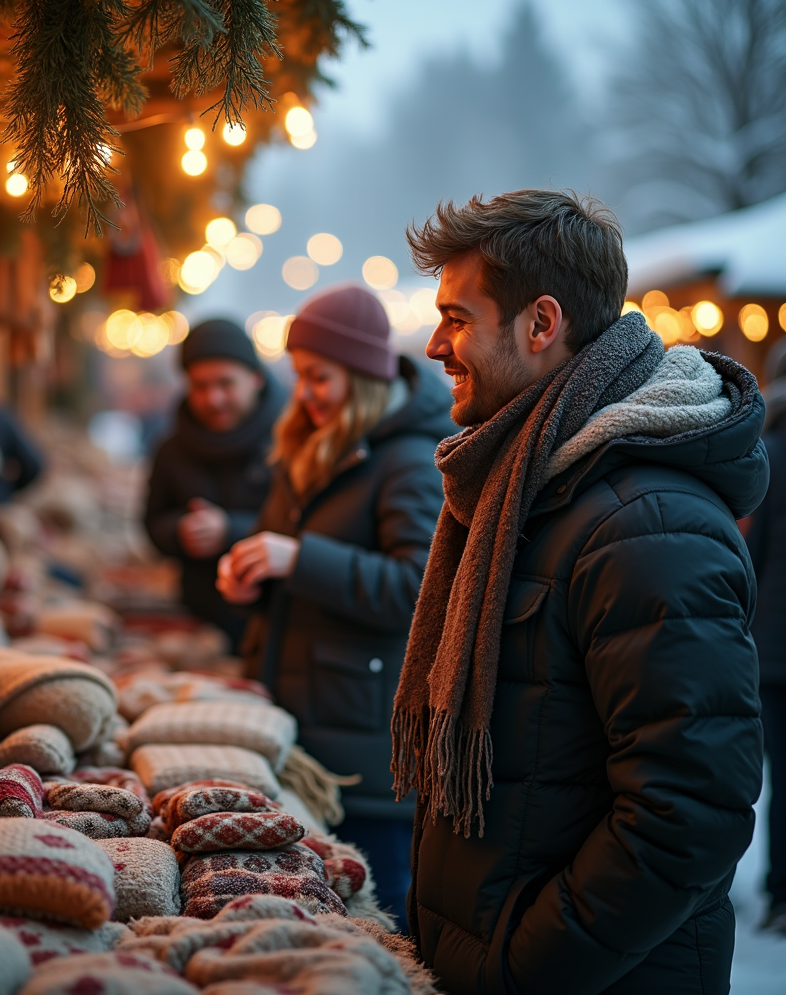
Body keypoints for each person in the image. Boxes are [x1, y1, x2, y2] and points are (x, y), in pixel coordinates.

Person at [393, 190, 767, 994]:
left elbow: (691, 814)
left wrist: (525, 966)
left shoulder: (646, 524)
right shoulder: (528, 487)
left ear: (542, 323)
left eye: (457, 318)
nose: (433, 345)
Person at [217, 284, 457, 925]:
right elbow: (290, 560)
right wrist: (255, 577)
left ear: (362, 375)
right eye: (299, 377)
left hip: (364, 746)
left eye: (319, 377)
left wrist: (297, 559)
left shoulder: (408, 461)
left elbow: (418, 589)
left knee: (377, 912)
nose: (305, 393)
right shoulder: (312, 443)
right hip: (306, 718)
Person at [145, 319, 284, 645]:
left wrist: (230, 530)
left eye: (225, 383)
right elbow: (151, 523)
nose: (213, 399)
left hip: (275, 619)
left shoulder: (290, 440)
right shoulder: (170, 448)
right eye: (200, 386)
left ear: (256, 378)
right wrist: (180, 531)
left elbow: (310, 528)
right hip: (197, 619)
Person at [746, 337, 786, 936]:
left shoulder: (770, 457)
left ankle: (781, 892)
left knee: (782, 776)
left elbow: (749, 557)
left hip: (775, 650)